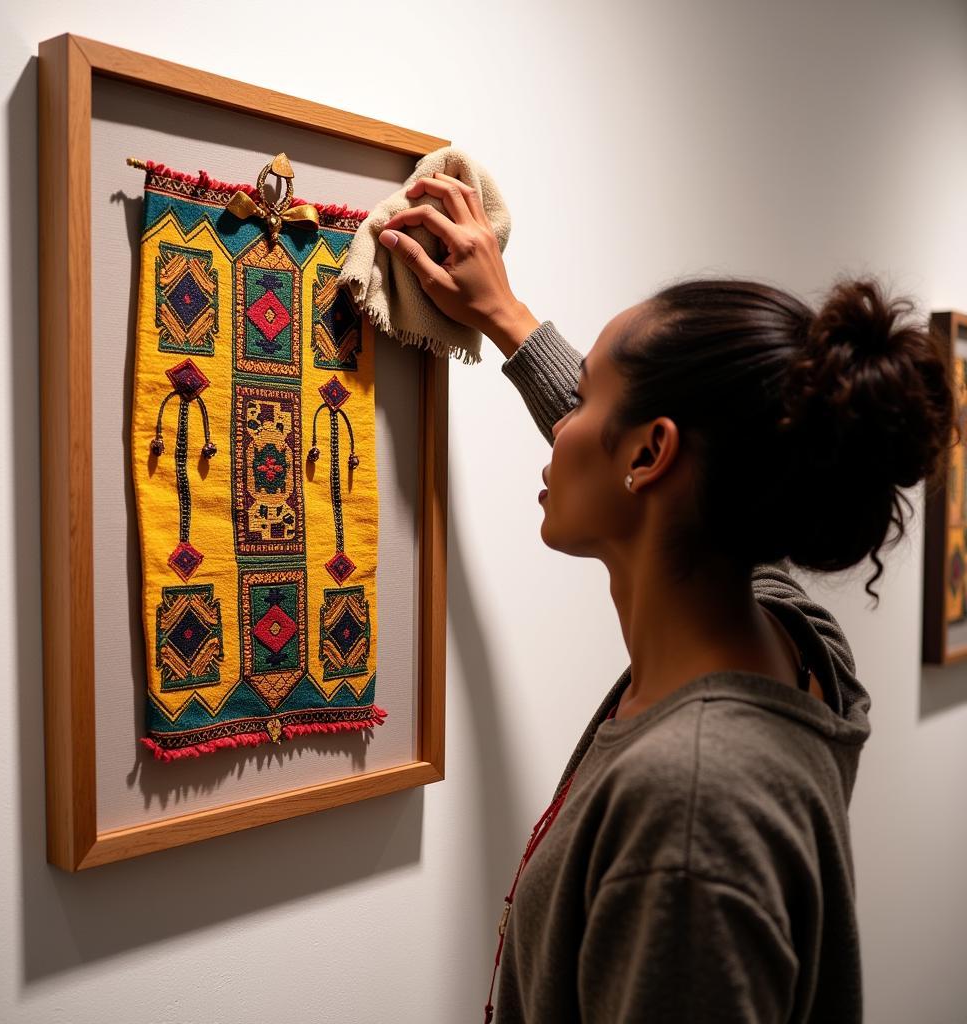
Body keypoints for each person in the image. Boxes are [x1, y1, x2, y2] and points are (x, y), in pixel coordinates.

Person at [377, 173, 955, 1023]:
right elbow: (692, 468)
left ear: (648, 458)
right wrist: (507, 318)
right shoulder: (795, 645)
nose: (564, 421)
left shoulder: (687, 814)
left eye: (581, 402)